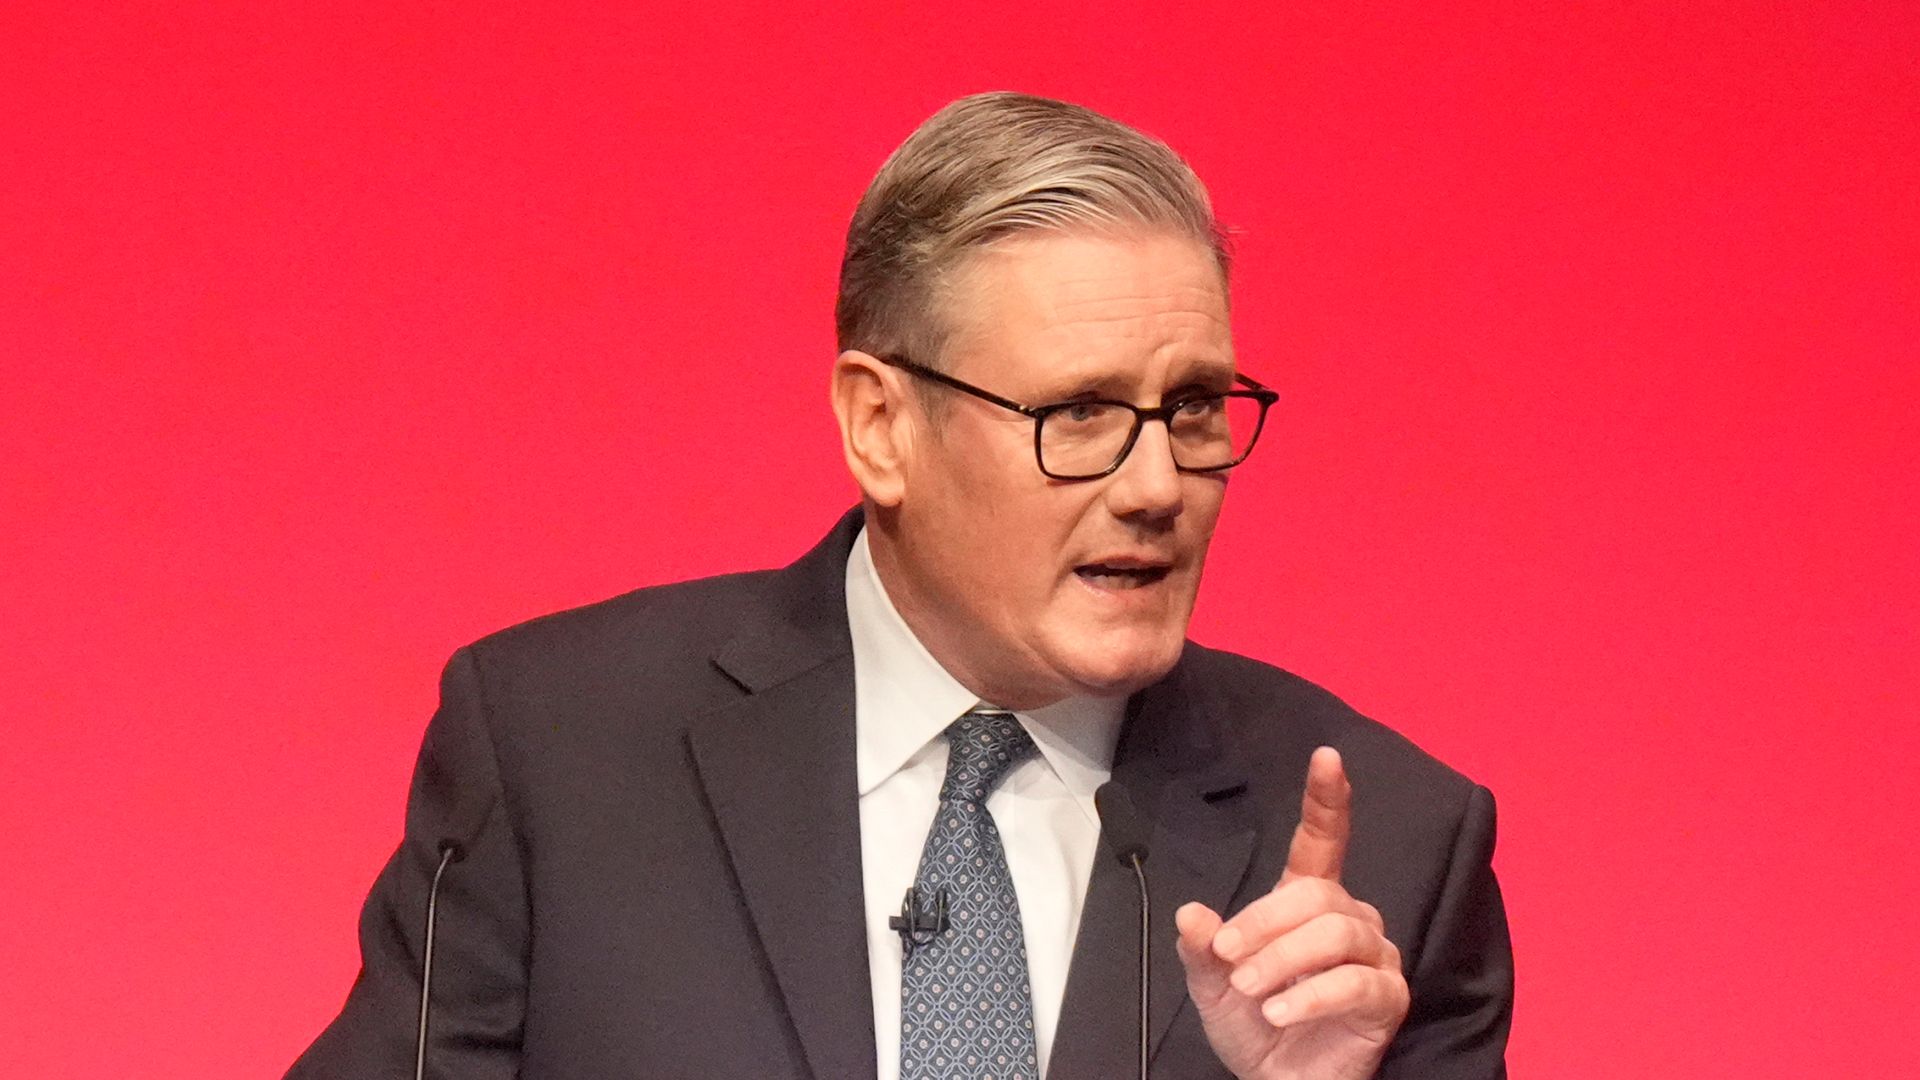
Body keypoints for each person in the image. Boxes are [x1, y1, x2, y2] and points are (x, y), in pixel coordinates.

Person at [288, 91, 1512, 1080]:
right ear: (880, 426)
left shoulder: (1396, 856)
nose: (1157, 486)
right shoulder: (559, 751)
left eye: (1192, 407)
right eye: (1080, 413)